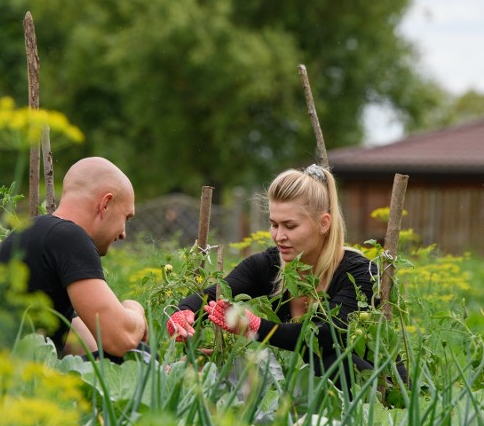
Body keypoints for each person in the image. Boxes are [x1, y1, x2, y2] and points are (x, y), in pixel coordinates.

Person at [166, 164, 406, 388]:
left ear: (323, 224)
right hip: (310, 389)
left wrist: (254, 326)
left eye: (290, 226)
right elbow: (213, 294)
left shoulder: (361, 273)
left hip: (378, 390)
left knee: (327, 357)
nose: (279, 236)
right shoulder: (268, 265)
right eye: (274, 224)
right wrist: (184, 314)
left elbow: (323, 336)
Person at [0, 157, 147, 361]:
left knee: (131, 356)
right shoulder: (69, 237)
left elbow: (87, 346)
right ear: (106, 204)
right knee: (140, 357)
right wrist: (135, 309)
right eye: (126, 217)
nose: (123, 234)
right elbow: (120, 341)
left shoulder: (38, 234)